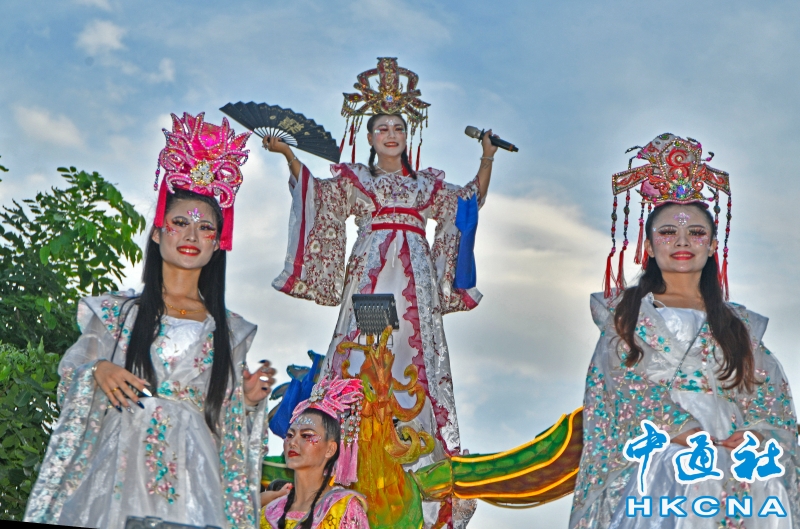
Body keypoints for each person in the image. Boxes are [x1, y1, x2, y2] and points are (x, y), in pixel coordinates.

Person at [266, 58, 496, 527]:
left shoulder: (427, 184)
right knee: (368, 353)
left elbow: (467, 204)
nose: (391, 134)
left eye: (398, 127)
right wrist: (289, 156)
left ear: (408, 136)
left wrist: (487, 158)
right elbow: (318, 195)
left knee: (413, 356)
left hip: (415, 279)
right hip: (372, 274)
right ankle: (346, 448)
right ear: (369, 137)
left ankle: (415, 455)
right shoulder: (358, 180)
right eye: (382, 128)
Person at [24, 112, 276, 529]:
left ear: (218, 243)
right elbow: (72, 373)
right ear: (158, 233)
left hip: (195, 474)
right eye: (180, 223)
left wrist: (246, 401)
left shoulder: (231, 331)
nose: (191, 236)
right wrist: (98, 370)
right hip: (122, 461)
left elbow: (226, 427)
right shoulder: (116, 312)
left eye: (205, 228)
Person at [569, 134, 799, 528]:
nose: (682, 241)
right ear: (648, 245)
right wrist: (681, 429)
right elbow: (619, 385)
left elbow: (768, 394)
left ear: (712, 245)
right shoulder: (627, 315)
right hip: (662, 447)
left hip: (733, 446)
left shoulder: (739, 324)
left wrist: (757, 436)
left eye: (696, 232)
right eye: (667, 232)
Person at [261, 376, 369, 529]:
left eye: (306, 435)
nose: (293, 442)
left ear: (330, 449)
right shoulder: (268, 514)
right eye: (290, 435)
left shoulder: (344, 509)